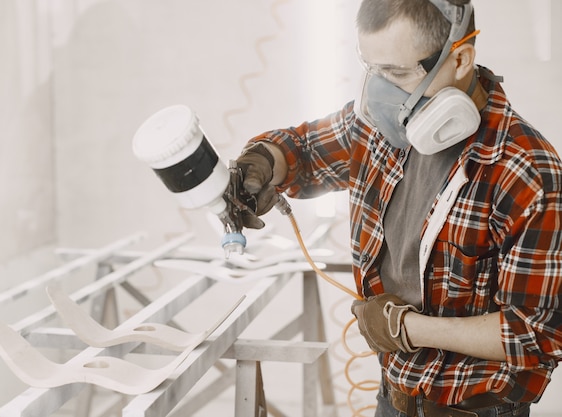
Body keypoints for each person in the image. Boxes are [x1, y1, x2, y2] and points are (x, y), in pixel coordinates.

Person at [233, 0, 562, 416]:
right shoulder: (380, 131)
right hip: (392, 399)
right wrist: (261, 163)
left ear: (460, 58)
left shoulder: (525, 171)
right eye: (372, 68)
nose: (378, 91)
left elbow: (537, 332)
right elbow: (301, 149)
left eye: (397, 74)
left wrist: (405, 328)